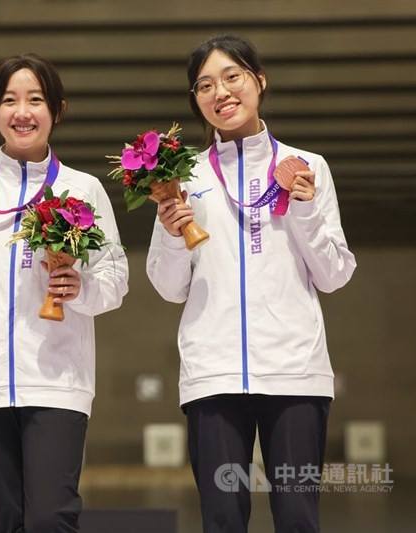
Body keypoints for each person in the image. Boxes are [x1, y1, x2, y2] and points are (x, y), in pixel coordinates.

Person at [146, 35, 357, 532]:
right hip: (213, 372)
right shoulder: (183, 176)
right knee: (222, 517)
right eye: (203, 85)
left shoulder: (308, 167)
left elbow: (335, 274)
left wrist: (303, 208)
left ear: (259, 81)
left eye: (231, 76)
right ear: (195, 101)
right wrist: (174, 234)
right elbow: (166, 285)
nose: (219, 92)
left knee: (297, 516)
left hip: (295, 370)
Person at [0, 53, 128, 533]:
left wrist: (81, 288)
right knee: (5, 520)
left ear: (56, 108)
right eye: (10, 100)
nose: (23, 112)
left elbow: (115, 281)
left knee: (51, 517)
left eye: (36, 99)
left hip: (57, 380)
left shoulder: (84, 188)